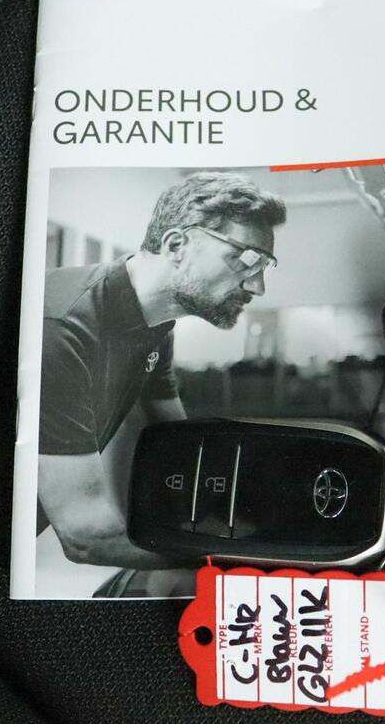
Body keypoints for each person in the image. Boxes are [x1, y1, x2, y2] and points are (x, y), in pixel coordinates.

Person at [38, 171, 286, 568]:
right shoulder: (62, 327)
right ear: (176, 245)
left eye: (264, 266)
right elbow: (85, 535)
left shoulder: (157, 326)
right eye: (246, 259)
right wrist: (249, 558)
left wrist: (252, 510)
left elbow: (181, 444)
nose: (257, 287)